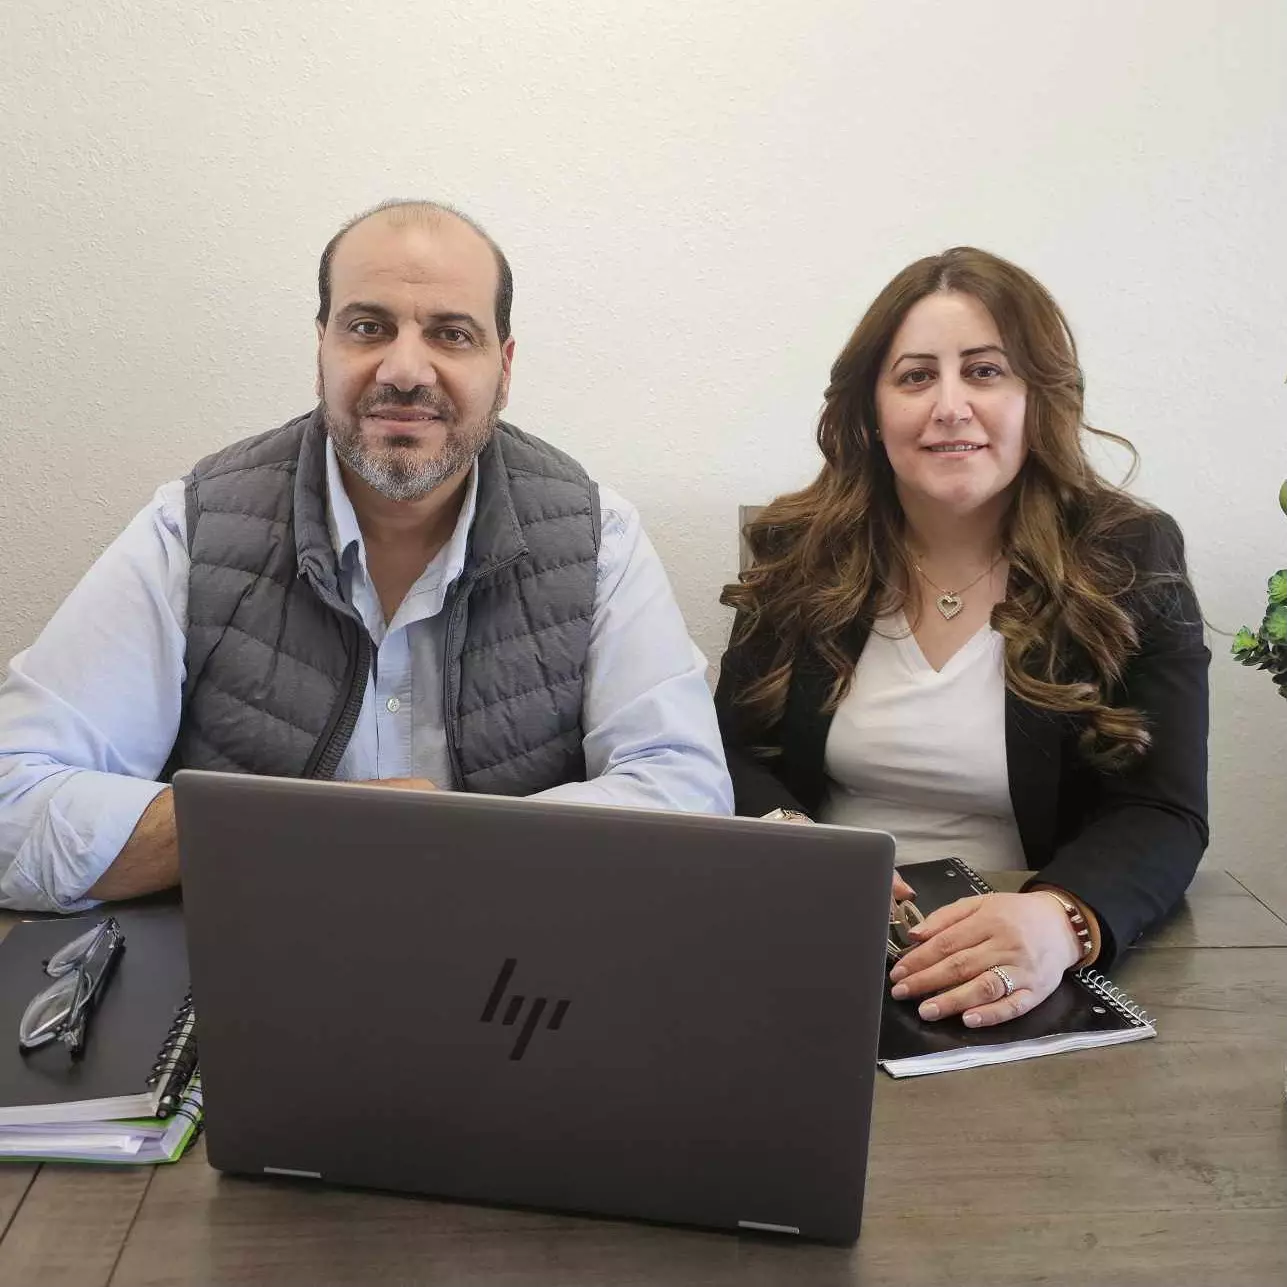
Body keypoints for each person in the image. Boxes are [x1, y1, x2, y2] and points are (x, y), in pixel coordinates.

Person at [0, 200, 732, 912]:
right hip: (251, 954)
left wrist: (447, 845)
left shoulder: (597, 537)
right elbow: (14, 799)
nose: (405, 369)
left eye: (451, 334)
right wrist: (316, 832)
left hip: (515, 961)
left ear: (504, 368)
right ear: (321, 350)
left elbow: (686, 794)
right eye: (368, 327)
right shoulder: (194, 527)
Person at [716, 246, 1208, 1030]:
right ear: (871, 410)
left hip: (1021, 952)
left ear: (1037, 398)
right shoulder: (796, 549)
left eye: (983, 371)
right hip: (815, 939)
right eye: (915, 376)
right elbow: (726, 753)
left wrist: (1063, 916)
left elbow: (1161, 807)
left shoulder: (1130, 555)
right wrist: (791, 844)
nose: (949, 406)